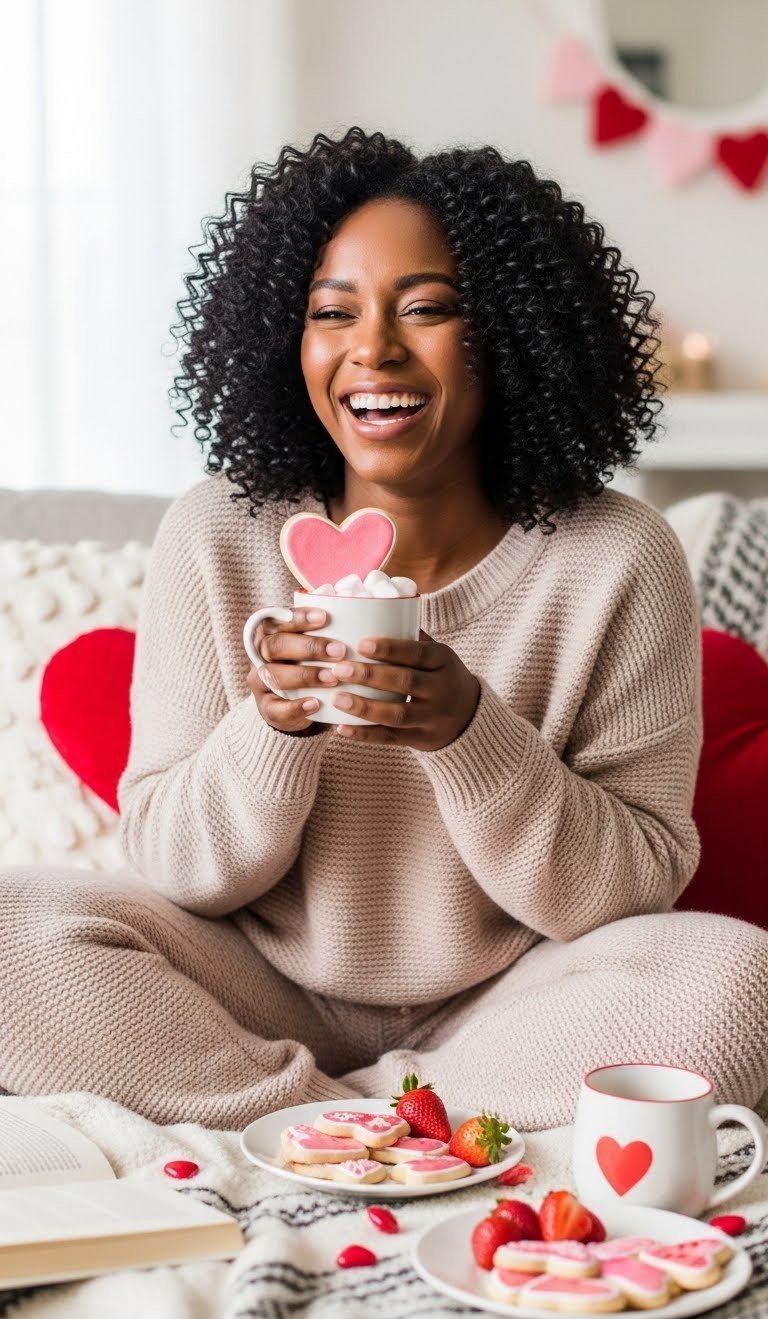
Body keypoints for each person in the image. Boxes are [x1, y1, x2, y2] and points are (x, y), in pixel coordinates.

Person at [3, 127, 767, 1131]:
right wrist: (270, 727)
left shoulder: (619, 555)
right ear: (289, 338)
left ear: (513, 332)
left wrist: (468, 734)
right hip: (253, 985)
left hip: (513, 1001)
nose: (374, 349)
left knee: (739, 982)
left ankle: (307, 1123)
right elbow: (174, 868)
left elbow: (627, 894)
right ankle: (364, 1124)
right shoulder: (217, 531)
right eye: (333, 313)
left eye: (429, 309)